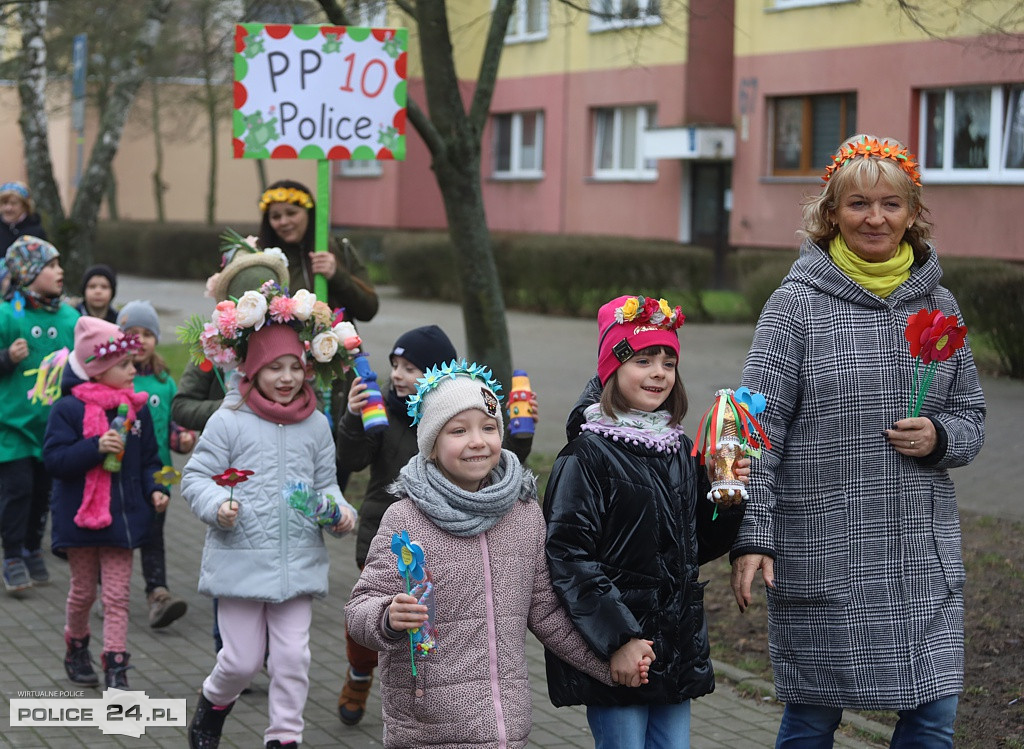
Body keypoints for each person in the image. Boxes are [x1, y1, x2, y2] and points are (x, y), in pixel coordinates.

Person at [729, 134, 986, 748]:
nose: (876, 218)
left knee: (931, 717)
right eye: (859, 204)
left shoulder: (939, 305)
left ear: (912, 213)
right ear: (831, 213)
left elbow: (972, 415)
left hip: (917, 553)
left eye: (891, 204)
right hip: (825, 547)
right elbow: (753, 426)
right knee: (814, 714)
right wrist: (754, 536)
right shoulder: (796, 305)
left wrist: (941, 435)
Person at [346, 360, 645, 749]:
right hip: (428, 730)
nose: (477, 441)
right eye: (458, 430)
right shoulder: (405, 518)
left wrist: (610, 662)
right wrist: (387, 616)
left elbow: (548, 612)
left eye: (489, 428)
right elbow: (358, 609)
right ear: (432, 445)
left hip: (506, 728)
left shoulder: (522, 512)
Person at [542, 294, 748, 749]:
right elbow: (568, 558)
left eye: (668, 362)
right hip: (621, 649)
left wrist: (725, 498)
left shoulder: (675, 449)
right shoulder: (586, 456)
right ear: (611, 369)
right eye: (643, 359)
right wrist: (619, 639)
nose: (659, 372)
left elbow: (693, 545)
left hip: (674, 646)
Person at [336, 325, 540, 725]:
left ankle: (439, 688)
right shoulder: (383, 414)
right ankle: (360, 674)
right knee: (373, 627)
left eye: (410, 367)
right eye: (394, 365)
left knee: (434, 626)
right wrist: (352, 417)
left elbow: (496, 454)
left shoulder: (460, 417)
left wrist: (521, 428)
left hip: (447, 539)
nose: (397, 375)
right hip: (383, 533)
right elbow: (352, 458)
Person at [181, 289, 357, 749]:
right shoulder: (229, 419)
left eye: (296, 367)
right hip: (238, 558)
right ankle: (212, 703)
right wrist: (217, 504)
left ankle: (284, 737)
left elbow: (328, 486)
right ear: (253, 370)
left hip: (298, 562)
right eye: (275, 367)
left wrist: (338, 513)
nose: (286, 377)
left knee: (293, 658)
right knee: (239, 661)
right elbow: (196, 477)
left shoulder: (316, 424)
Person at [44, 317, 167, 689]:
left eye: (134, 362)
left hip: (122, 519)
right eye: (125, 365)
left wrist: (157, 489)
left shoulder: (137, 409)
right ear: (99, 370)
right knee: (83, 592)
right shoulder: (67, 410)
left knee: (116, 596)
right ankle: (76, 645)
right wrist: (94, 447)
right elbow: (54, 460)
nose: (135, 369)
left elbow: (151, 461)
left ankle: (116, 664)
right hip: (79, 518)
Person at [256, 179, 379, 431]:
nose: (283, 222)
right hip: (286, 368)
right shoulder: (263, 260)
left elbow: (369, 307)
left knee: (337, 436)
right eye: (275, 216)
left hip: (336, 366)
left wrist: (338, 275)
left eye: (291, 213)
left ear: (309, 214)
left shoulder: (337, 249)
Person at [0, 236, 78, 593]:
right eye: (50, 265)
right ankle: (12, 554)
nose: (59, 272)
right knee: (18, 490)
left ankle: (33, 547)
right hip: (13, 426)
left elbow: (83, 364)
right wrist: (6, 359)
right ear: (28, 272)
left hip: (53, 427)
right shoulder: (7, 314)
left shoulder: (69, 316)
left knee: (44, 492)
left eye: (59, 264)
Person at [117, 299, 195, 628]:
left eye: (147, 333)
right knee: (119, 534)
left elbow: (173, 425)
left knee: (154, 535)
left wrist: (182, 439)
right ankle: (109, 589)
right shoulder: (117, 378)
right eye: (131, 333)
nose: (140, 340)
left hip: (161, 471)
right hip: (120, 474)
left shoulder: (164, 382)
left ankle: (157, 593)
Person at [0, 181, 46, 252]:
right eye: (5, 203)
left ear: (24, 206)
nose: (8, 208)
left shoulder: (36, 232)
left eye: (13, 203)